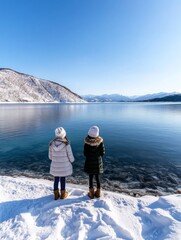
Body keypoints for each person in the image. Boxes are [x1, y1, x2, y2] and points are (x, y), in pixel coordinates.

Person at [49, 127, 74, 200]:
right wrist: (72, 161)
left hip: (55, 165)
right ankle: (63, 194)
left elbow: (50, 157)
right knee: (63, 178)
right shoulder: (66, 144)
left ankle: (56, 195)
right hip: (64, 166)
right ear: (64, 134)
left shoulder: (51, 144)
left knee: (56, 178)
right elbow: (70, 155)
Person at [84, 126, 105, 199]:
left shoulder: (87, 143)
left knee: (90, 177)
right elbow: (102, 153)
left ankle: (91, 193)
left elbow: (85, 153)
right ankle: (98, 193)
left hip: (89, 163)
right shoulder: (100, 143)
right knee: (97, 177)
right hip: (97, 163)